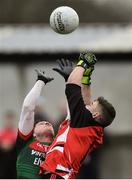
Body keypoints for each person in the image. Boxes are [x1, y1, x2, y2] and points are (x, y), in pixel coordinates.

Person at [40, 53, 116, 179]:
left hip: (59, 175)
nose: (89, 103)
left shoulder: (83, 122)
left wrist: (83, 64)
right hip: (60, 174)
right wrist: (85, 76)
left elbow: (72, 87)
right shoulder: (88, 125)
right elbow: (85, 100)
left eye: (93, 104)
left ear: (95, 114)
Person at [16, 69, 55, 179]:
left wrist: (71, 82)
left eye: (48, 124)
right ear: (33, 133)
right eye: (40, 123)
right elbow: (28, 108)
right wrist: (40, 82)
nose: (46, 122)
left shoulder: (58, 144)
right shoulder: (26, 142)